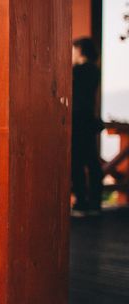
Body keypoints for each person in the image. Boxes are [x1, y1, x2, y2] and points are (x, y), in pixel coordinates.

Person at [71, 37, 104, 217]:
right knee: (92, 161)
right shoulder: (95, 71)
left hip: (76, 120)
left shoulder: (76, 72)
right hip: (89, 120)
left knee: (76, 161)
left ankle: (81, 202)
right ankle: (95, 202)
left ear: (80, 50)